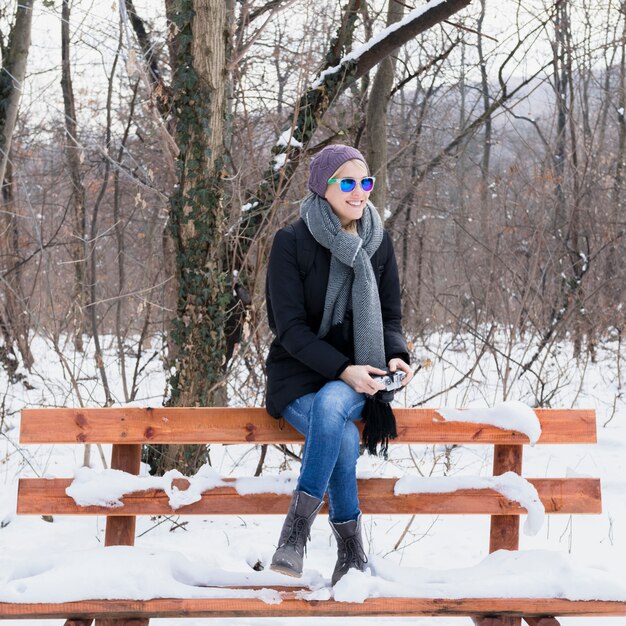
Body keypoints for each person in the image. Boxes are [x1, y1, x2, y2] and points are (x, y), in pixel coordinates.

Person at [265, 143, 413, 585]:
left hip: (360, 375)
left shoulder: (377, 242)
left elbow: (389, 317)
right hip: (296, 375)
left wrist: (396, 354)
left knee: (334, 406)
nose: (359, 192)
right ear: (321, 186)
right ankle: (350, 553)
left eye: (364, 182)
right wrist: (340, 369)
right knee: (342, 437)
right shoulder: (291, 242)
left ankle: (296, 532)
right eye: (346, 182)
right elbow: (288, 329)